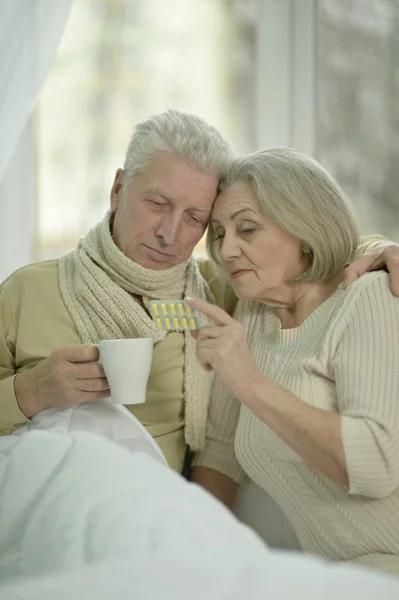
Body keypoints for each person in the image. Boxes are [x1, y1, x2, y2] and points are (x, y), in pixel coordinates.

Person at [0, 112, 398, 475]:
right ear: (118, 189)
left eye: (195, 219)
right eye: (157, 203)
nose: (169, 234)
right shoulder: (27, 290)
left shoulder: (221, 291)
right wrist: (28, 392)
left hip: (149, 510)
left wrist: (379, 250)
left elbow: (306, 260)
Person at [189, 148, 399, 576]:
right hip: (342, 574)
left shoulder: (369, 296)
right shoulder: (252, 313)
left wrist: (247, 381)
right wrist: (189, 555)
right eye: (218, 232)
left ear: (305, 229)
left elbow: (376, 462)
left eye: (247, 229)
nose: (227, 249)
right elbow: (223, 451)